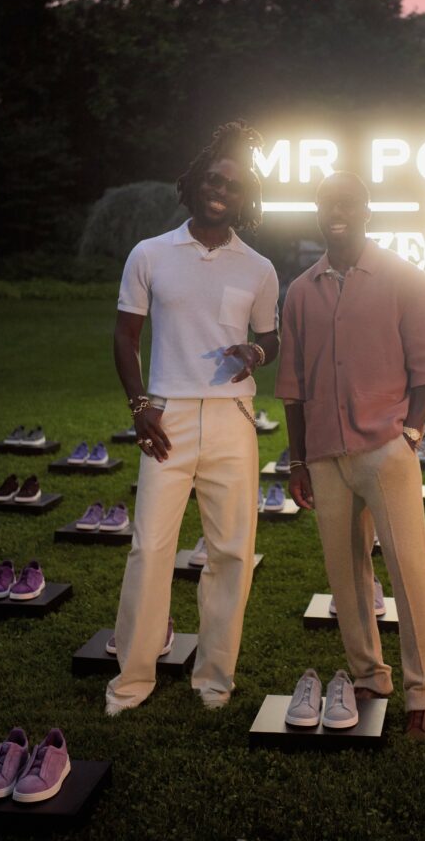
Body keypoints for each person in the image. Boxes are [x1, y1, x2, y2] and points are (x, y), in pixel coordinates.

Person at [276, 171, 425, 739]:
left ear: (367, 211)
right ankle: (369, 676)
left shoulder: (404, 277)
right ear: (317, 211)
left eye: (348, 204)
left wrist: (410, 433)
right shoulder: (300, 291)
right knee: (346, 576)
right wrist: (298, 461)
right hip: (325, 457)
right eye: (327, 203)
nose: (337, 213)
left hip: (385, 450)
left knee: (410, 570)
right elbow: (293, 386)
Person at [105, 122, 279, 716]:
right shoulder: (150, 253)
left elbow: (269, 338)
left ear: (245, 198)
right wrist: (139, 406)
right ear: (195, 182)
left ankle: (214, 679)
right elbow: (126, 337)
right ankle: (132, 679)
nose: (221, 190)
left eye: (233, 185)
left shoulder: (258, 267)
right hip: (166, 417)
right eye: (214, 179)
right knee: (150, 548)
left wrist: (256, 353)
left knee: (230, 552)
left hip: (233, 418)